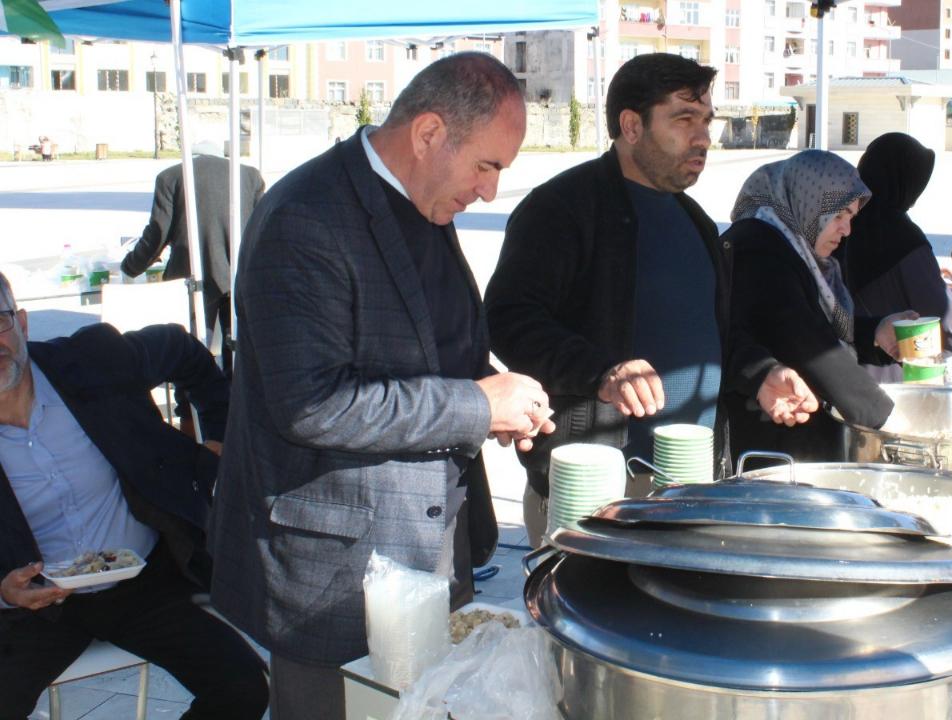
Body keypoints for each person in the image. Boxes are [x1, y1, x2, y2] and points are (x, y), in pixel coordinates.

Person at [207, 53, 555, 720]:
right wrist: (476, 407)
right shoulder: (304, 217)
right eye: (487, 165)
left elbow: (428, 351)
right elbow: (313, 404)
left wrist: (493, 394)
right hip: (333, 578)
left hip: (430, 549)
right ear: (428, 134)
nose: (489, 191)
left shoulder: (423, 202)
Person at [485, 53, 814, 542]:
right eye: (683, 119)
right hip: (597, 487)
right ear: (631, 125)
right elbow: (508, 319)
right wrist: (602, 372)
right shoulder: (562, 208)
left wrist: (760, 373)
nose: (702, 136)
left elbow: (710, 330)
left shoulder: (697, 222)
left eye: (706, 120)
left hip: (694, 480)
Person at [0, 272, 268, 720]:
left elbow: (183, 350)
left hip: (138, 581)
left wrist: (218, 440)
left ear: (22, 324)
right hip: (34, 607)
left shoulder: (92, 361)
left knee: (242, 687)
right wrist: (5, 590)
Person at [725, 151, 898, 461]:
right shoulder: (758, 248)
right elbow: (800, 336)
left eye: (851, 218)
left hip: (792, 435)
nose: (847, 230)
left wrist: (875, 332)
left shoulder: (796, 247)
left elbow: (816, 322)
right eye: (839, 215)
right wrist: (885, 421)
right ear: (809, 200)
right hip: (772, 445)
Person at [840, 132, 952, 384]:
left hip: (836, 367)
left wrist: (929, 274)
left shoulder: (842, 219)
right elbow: (948, 327)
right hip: (889, 375)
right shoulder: (901, 235)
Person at [121, 140, 266, 368]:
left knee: (191, 351)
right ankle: (232, 399)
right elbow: (262, 227)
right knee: (238, 350)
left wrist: (131, 266)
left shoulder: (171, 177)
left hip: (192, 275)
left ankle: (191, 403)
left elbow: (157, 233)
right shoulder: (249, 175)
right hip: (240, 273)